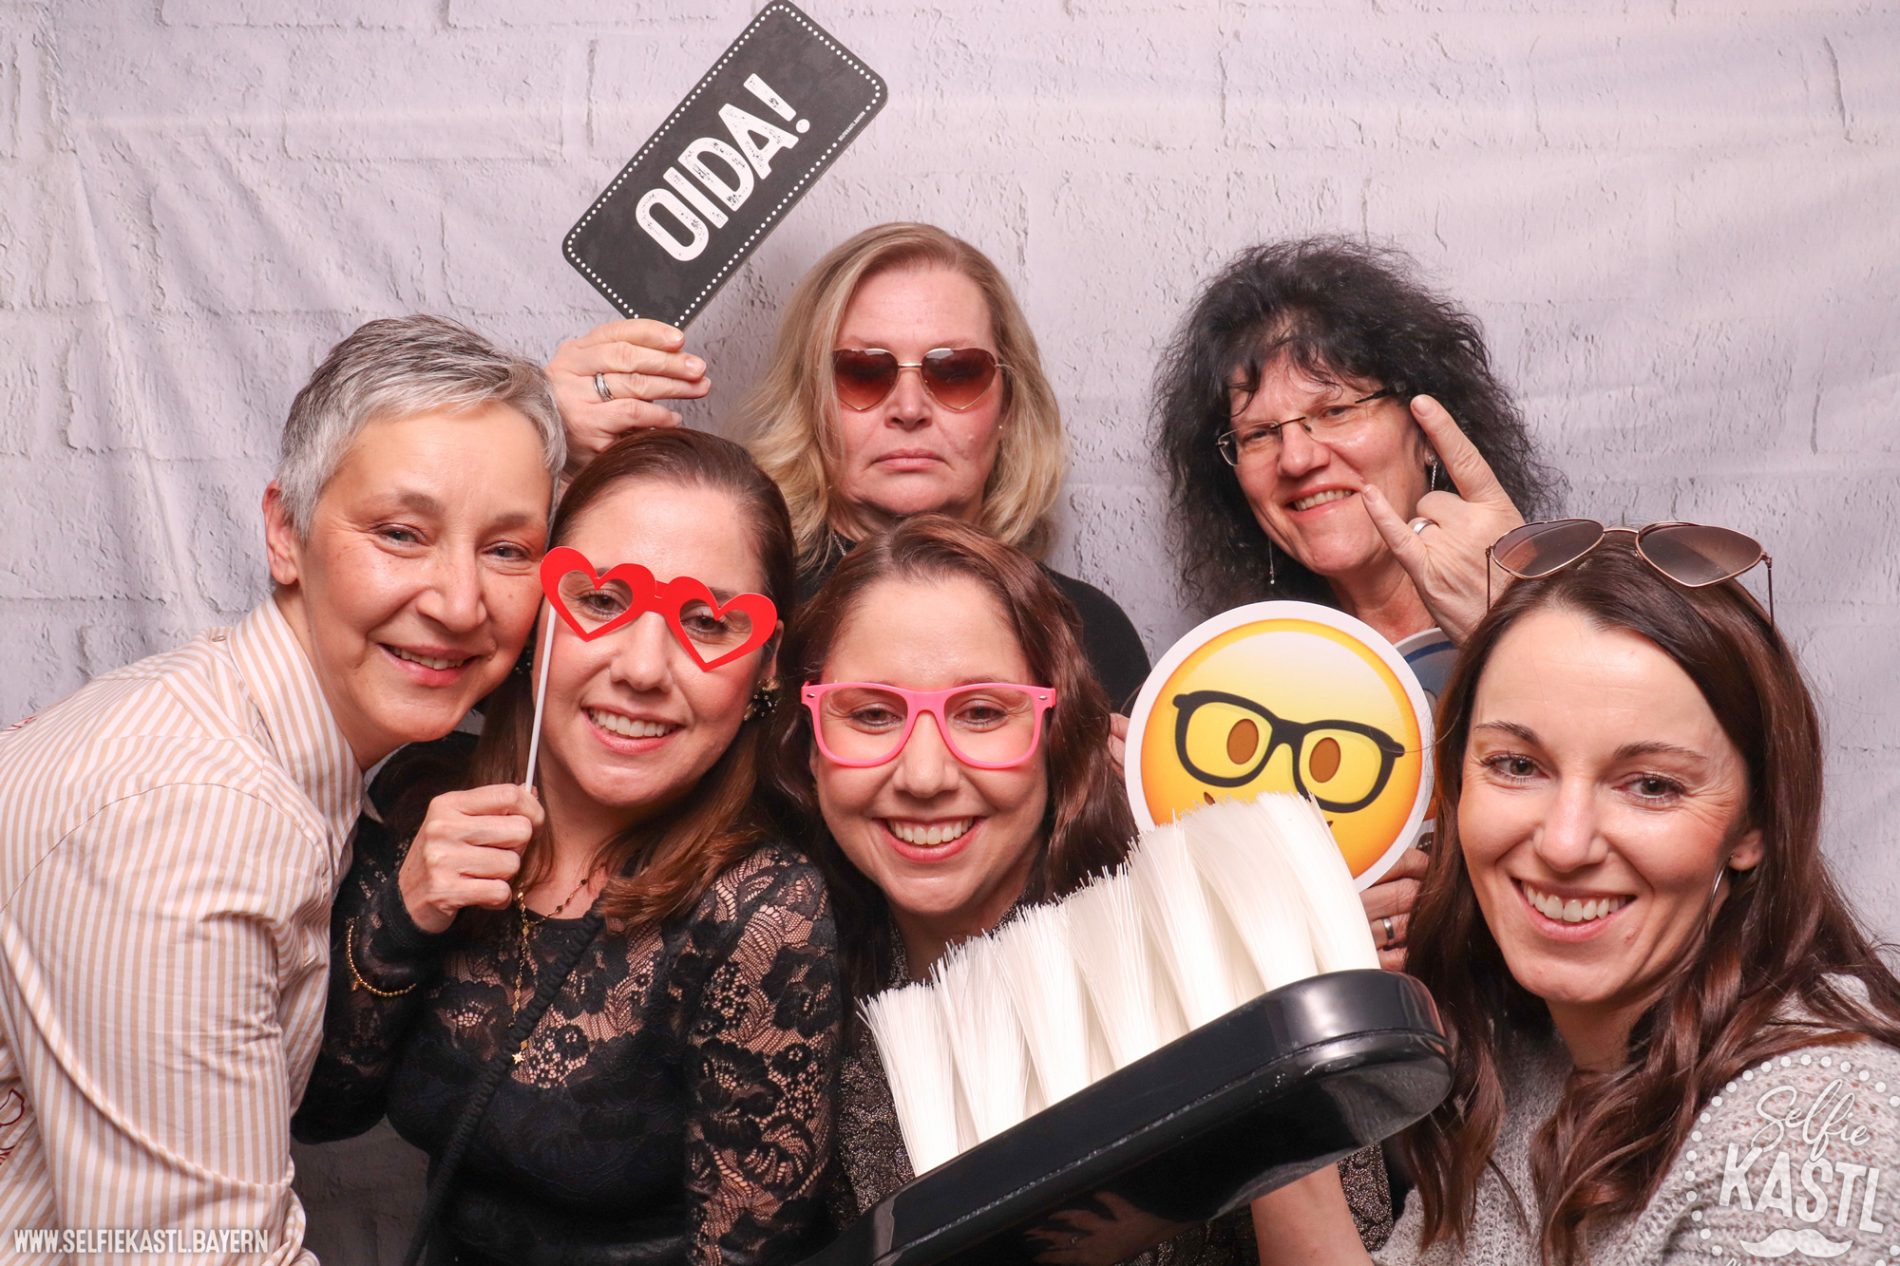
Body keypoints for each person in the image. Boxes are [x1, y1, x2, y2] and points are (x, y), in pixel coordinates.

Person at [0, 315, 563, 1261]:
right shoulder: (196, 814)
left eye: (507, 550)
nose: (460, 602)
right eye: (401, 534)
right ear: (285, 533)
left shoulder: (254, 737)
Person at [1248, 524, 1900, 1264]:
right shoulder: (1524, 1052)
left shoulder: (1819, 1124)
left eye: (1651, 785)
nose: (1564, 844)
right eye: (1518, 765)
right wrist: (1272, 1052)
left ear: (1753, 824)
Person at [764, 514, 1393, 1260]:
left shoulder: (1203, 943)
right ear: (811, 748)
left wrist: (1256, 1039)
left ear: (1057, 736)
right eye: (872, 714)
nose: (925, 775)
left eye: (982, 713)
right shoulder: (791, 1004)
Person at [293, 429, 842, 1266]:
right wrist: (403, 917)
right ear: (536, 613)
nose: (644, 669)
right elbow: (323, 1110)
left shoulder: (764, 912)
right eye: (604, 599)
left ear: (766, 667)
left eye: (706, 621)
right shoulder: (422, 793)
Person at [1154, 237, 1567, 972]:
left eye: (1337, 409)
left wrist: (1519, 619)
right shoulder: (1230, 695)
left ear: (1426, 431)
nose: (1298, 457)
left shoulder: (1578, 611)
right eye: (1259, 434)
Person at [548, 222, 1152, 709]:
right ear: (809, 401)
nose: (909, 409)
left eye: (955, 372)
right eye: (862, 372)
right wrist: (549, 457)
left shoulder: (1089, 634)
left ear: (1010, 406)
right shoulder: (721, 605)